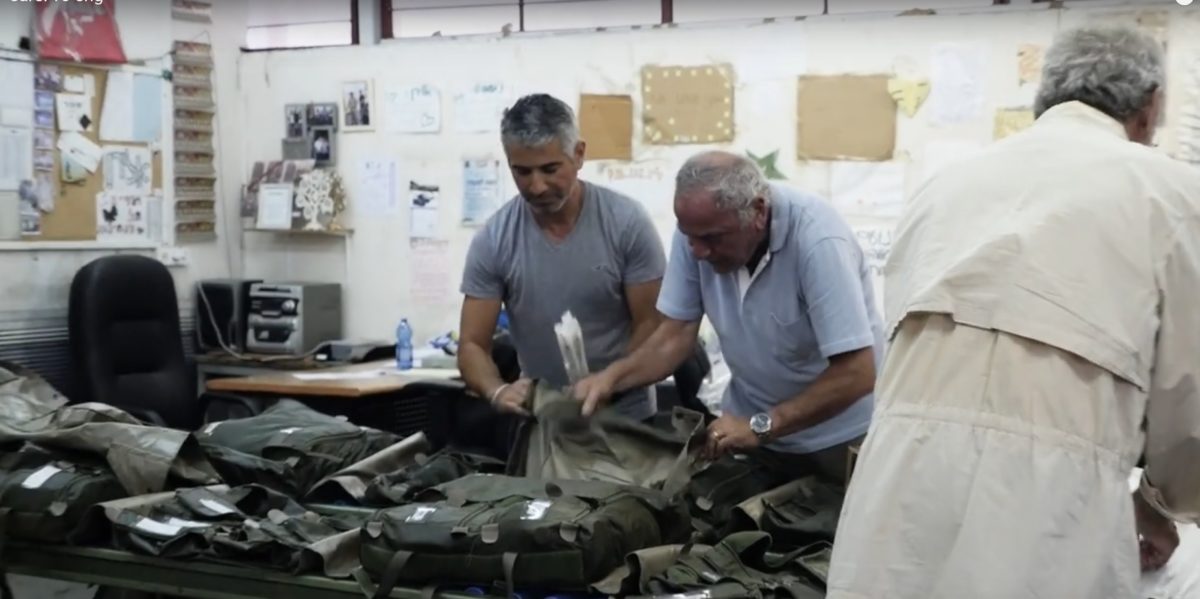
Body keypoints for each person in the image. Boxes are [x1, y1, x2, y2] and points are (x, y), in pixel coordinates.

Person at [826, 26, 1200, 599]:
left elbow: (901, 331)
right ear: (1150, 111)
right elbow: (1190, 393)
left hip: (895, 485)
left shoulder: (943, 186)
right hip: (1047, 499)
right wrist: (1159, 501)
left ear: (1043, 100)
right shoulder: (1172, 194)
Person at [574, 150, 882, 484]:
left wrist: (761, 425)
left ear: (758, 213)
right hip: (755, 438)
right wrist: (611, 379)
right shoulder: (698, 231)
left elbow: (858, 373)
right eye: (688, 236)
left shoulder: (818, 241)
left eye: (712, 239)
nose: (698, 252)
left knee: (825, 534)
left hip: (837, 440)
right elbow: (675, 334)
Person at [457, 93, 666, 430]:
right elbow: (471, 344)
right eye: (522, 172)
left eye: (550, 169)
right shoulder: (494, 239)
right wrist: (498, 392)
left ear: (579, 154)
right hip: (544, 424)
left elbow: (653, 326)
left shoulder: (626, 223)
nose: (537, 186)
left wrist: (610, 381)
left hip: (628, 422)